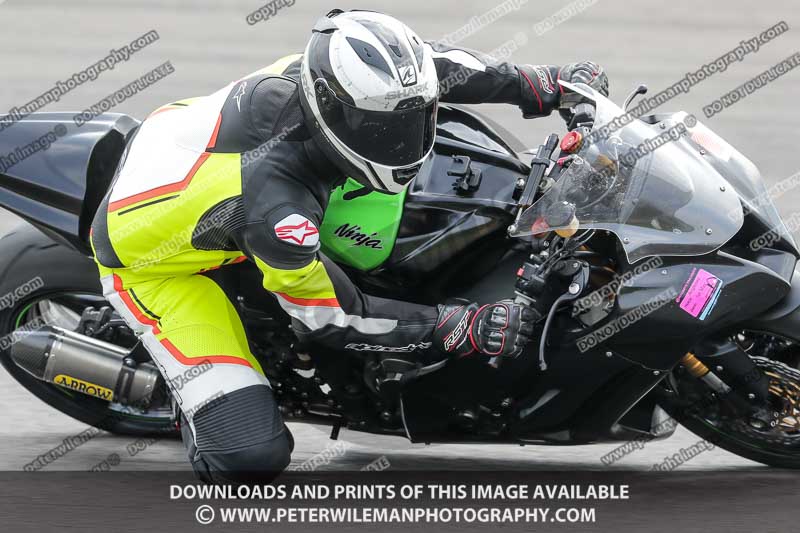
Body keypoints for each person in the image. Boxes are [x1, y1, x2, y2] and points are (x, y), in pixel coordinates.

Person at [90, 9, 609, 482]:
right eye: (385, 128)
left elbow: (443, 65)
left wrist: (549, 83)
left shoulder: (345, 76)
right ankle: (186, 396)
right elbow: (332, 315)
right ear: (333, 111)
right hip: (158, 267)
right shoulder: (276, 209)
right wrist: (455, 326)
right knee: (251, 460)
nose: (405, 138)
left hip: (187, 136)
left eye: (412, 118)